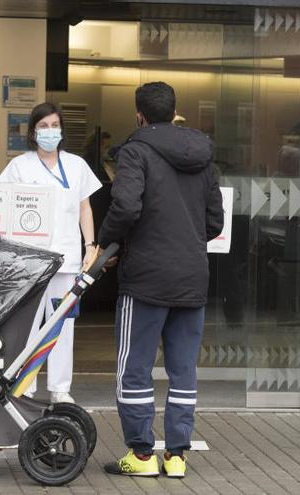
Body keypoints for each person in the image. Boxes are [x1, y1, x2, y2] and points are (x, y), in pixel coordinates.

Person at [98, 81, 224, 478]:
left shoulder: (135, 152)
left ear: (139, 115)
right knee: (183, 369)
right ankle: (176, 457)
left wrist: (106, 242)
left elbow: (126, 206)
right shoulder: (203, 156)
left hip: (147, 279)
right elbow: (215, 220)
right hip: (192, 278)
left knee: (134, 366)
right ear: (175, 110)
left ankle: (140, 454)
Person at [0, 102, 102, 404]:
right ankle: (26, 386)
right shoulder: (20, 166)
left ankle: (60, 389)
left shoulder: (76, 165)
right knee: (28, 325)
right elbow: (2, 204)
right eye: (43, 126)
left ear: (62, 130)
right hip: (30, 261)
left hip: (67, 260)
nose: (49, 131)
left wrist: (90, 246)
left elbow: (85, 207)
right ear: (33, 132)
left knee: (62, 325)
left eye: (55, 125)